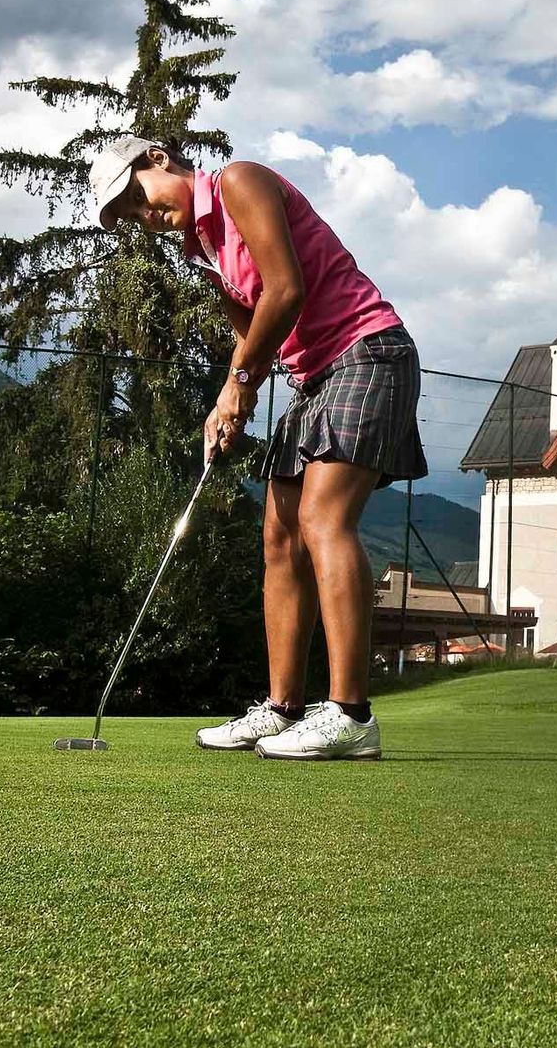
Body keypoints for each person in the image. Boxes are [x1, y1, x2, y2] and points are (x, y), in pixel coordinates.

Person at [87, 135, 426, 761]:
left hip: (369, 352)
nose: (144, 215)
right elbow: (252, 341)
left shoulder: (239, 182)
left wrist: (240, 384)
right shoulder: (203, 252)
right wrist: (228, 402)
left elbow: (286, 290)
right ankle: (282, 709)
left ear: (158, 159)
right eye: (130, 215)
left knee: (323, 518)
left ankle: (352, 715)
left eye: (137, 196)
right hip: (313, 376)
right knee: (279, 537)